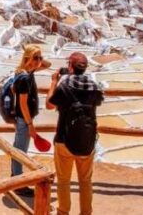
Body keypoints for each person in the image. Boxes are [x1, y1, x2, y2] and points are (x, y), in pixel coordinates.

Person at [46, 52, 104, 215]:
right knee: (85, 181)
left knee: (64, 181)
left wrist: (54, 81)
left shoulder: (65, 86)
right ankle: (86, 213)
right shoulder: (94, 86)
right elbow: (97, 101)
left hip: (64, 140)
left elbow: (50, 105)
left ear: (70, 66)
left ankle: (63, 212)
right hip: (87, 141)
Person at [11, 45, 51, 197]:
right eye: (36, 58)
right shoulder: (25, 77)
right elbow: (23, 103)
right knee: (21, 151)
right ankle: (18, 184)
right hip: (24, 120)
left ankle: (15, 178)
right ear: (27, 58)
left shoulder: (24, 72)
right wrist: (30, 125)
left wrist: (37, 58)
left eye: (40, 57)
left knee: (18, 149)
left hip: (22, 119)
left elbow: (48, 65)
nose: (39, 61)